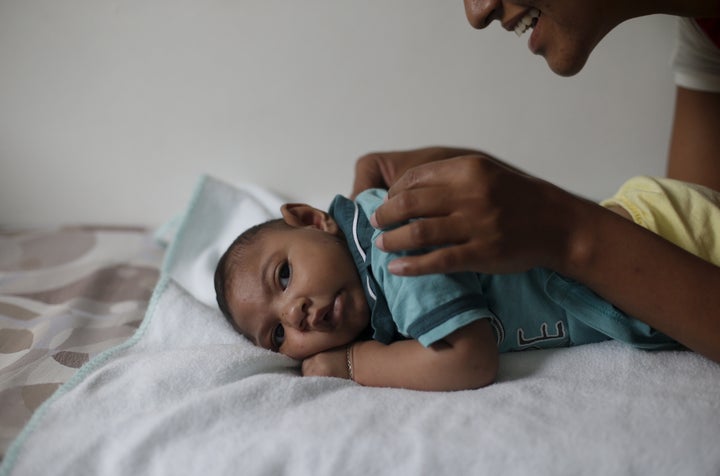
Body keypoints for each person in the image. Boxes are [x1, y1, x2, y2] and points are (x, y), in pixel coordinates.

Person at [349, 1, 720, 364]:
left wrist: (565, 232)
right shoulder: (705, 32)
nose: (477, 13)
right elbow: (696, 225)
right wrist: (524, 200)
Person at [214, 176, 720, 391]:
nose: (294, 314)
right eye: (277, 336)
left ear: (312, 219)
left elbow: (469, 358)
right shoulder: (375, 300)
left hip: (664, 233)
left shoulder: (390, 243)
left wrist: (350, 364)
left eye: (284, 275)